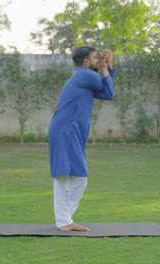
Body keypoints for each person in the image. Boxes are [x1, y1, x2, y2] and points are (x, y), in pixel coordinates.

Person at [49, 46, 114, 232]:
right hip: (66, 130)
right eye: (95, 58)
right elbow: (108, 88)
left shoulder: (85, 78)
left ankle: (64, 219)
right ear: (86, 61)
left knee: (77, 176)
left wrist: (107, 65)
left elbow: (107, 93)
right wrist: (105, 67)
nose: (96, 60)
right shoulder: (86, 75)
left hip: (69, 130)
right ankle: (64, 220)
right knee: (67, 176)